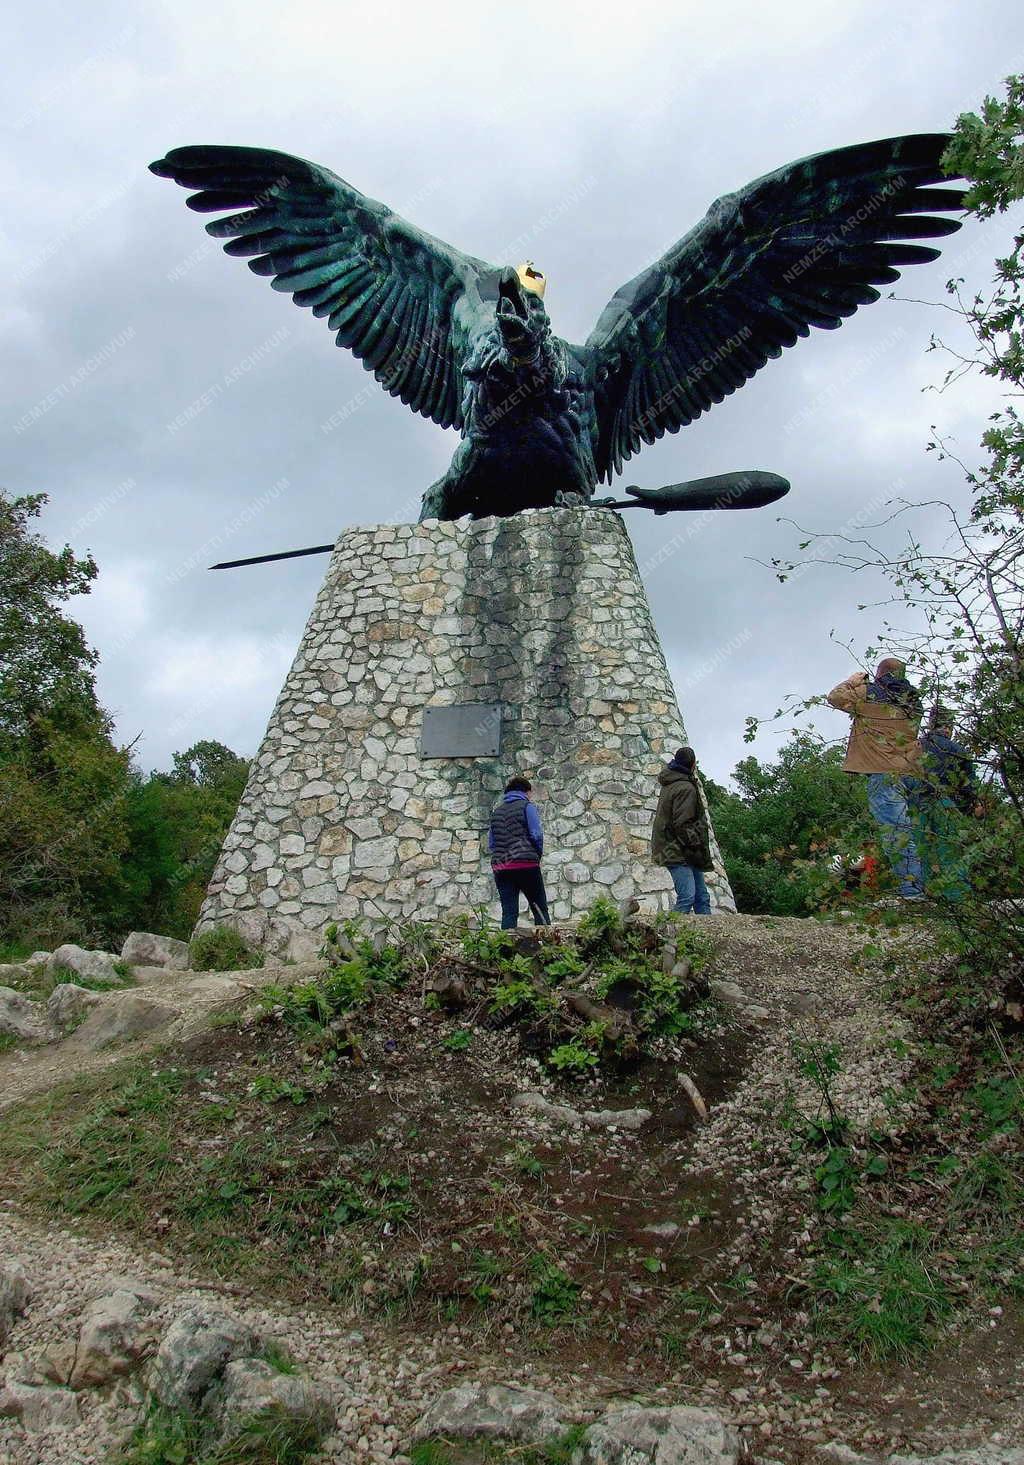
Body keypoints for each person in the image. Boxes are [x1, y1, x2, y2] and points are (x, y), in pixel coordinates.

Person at [827, 657, 925, 900]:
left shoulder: (872, 692)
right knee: (916, 834)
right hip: (911, 772)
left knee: (896, 835)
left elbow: (836, 697)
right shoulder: (914, 701)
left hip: (884, 773)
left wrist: (855, 679)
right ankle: (931, 891)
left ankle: (913, 894)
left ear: (880, 673)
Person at [910, 706, 980, 903]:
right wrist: (967, 808)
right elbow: (969, 785)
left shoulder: (916, 746)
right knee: (950, 852)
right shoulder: (956, 749)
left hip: (917, 803)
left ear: (931, 723)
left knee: (921, 851)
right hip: (946, 803)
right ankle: (958, 900)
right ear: (949, 725)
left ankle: (923, 896)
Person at [651, 746, 713, 915]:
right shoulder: (685, 788)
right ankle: (669, 934)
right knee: (688, 897)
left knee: (701, 897)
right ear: (693, 765)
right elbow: (683, 824)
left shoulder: (671, 783)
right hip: (679, 850)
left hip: (677, 847)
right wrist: (695, 845)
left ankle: (706, 934)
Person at [487, 776, 551, 929]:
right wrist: (537, 854)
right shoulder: (527, 806)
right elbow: (536, 834)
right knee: (539, 908)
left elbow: (492, 843)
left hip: (502, 868)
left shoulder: (497, 812)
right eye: (530, 793)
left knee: (509, 912)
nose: (530, 796)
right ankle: (547, 947)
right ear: (525, 791)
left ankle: (505, 950)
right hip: (526, 864)